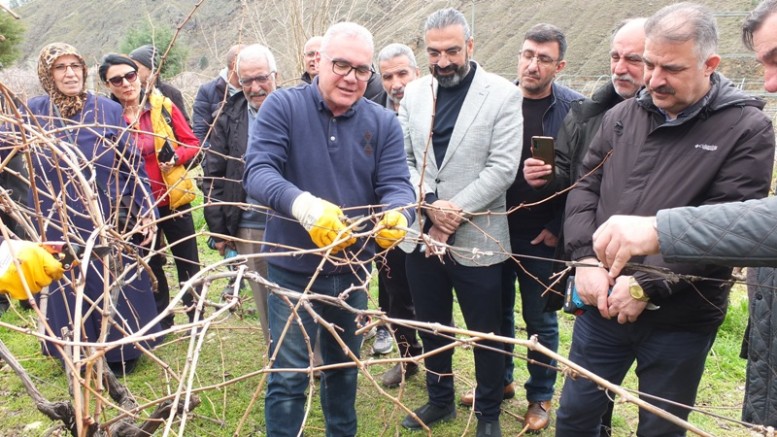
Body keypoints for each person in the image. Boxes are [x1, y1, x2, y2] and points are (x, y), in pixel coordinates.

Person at [555, 4, 776, 436]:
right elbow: (584, 188)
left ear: (710, 64)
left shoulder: (747, 129)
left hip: (682, 318)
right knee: (576, 416)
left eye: (670, 69)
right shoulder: (622, 118)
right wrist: (583, 258)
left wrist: (646, 284)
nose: (653, 80)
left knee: (661, 428)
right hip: (602, 304)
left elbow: (729, 226)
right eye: (648, 64)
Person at [243, 22, 415, 437]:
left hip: (351, 271)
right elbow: (258, 170)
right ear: (319, 61)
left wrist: (399, 214)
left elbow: (396, 183)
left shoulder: (383, 122)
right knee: (288, 375)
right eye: (341, 65)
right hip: (292, 267)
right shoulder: (283, 106)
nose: (352, 77)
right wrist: (302, 206)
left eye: (362, 69)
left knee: (342, 372)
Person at [399, 8, 522, 437]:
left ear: (470, 45)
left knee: (487, 331)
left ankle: (488, 412)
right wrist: (429, 203)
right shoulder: (413, 94)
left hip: (479, 236)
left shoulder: (503, 94)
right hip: (420, 234)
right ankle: (440, 400)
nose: (444, 60)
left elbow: (503, 167)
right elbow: (405, 160)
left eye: (453, 50)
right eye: (434, 52)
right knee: (433, 323)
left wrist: (450, 215)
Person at [522, 17, 647, 436]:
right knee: (588, 374)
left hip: (655, 269)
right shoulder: (591, 111)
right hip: (591, 260)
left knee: (653, 397)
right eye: (615, 57)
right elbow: (574, 179)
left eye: (634, 59)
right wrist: (548, 177)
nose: (620, 67)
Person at [9, 43, 163, 374]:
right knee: (69, 286)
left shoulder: (105, 112)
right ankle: (76, 353)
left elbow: (132, 163)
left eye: (75, 66)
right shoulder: (32, 114)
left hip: (107, 215)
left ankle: (122, 353)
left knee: (111, 279)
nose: (70, 73)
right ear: (47, 75)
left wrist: (146, 207)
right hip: (56, 218)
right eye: (60, 68)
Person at [469, 23, 582, 432]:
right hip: (493, 227)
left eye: (543, 59)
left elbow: (587, 177)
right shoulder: (496, 99)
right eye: (527, 55)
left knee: (540, 320)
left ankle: (540, 396)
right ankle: (499, 384)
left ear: (559, 65)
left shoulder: (575, 110)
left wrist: (557, 226)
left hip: (541, 236)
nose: (532, 65)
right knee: (494, 315)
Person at [99, 53, 202, 329]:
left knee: (187, 261)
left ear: (138, 75)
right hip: (137, 207)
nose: (126, 84)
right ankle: (161, 321)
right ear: (108, 86)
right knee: (150, 265)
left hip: (173, 198)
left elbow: (193, 143)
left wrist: (176, 157)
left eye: (130, 76)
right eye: (116, 80)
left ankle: (196, 317)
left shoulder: (162, 105)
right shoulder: (108, 118)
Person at [202, 44, 277, 343]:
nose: (255, 87)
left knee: (302, 296)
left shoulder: (297, 108)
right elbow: (214, 173)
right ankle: (279, 363)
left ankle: (316, 362)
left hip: (294, 222)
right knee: (264, 300)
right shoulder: (228, 116)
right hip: (249, 225)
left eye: (261, 78)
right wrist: (220, 230)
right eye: (247, 81)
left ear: (275, 75)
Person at [372, 42, 423, 386]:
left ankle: (438, 366)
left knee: (429, 298)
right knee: (394, 295)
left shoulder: (434, 108)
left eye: (402, 73)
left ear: (417, 73)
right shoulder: (371, 112)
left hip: (428, 220)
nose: (396, 83)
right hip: (385, 223)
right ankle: (407, 358)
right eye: (388, 76)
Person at [193, 44, 244, 145]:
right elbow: (200, 134)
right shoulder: (207, 91)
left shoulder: (254, 89)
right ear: (235, 65)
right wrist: (216, 157)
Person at [129, 44, 190, 124]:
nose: (132, 71)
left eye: (136, 67)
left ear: (150, 68)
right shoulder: (131, 94)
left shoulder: (171, 93)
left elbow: (184, 124)